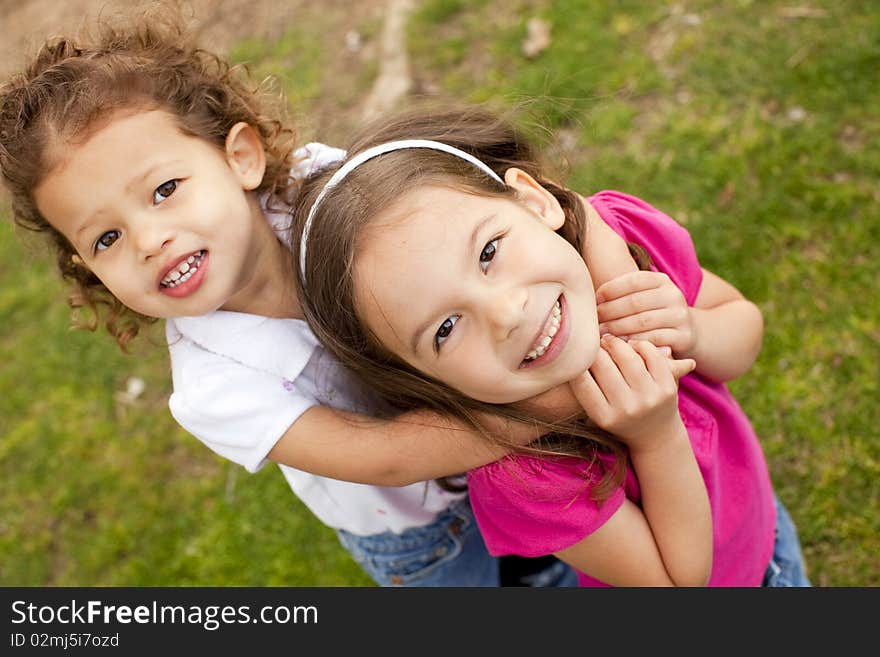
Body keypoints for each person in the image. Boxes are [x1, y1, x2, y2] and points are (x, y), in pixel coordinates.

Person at [0, 9, 580, 587]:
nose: (149, 242)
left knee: (566, 548)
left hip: (489, 426)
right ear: (90, 270)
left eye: (164, 190)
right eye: (106, 238)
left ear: (241, 158)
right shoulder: (214, 388)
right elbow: (387, 456)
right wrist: (549, 405)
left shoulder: (320, 191)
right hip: (422, 534)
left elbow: (471, 216)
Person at [291, 105, 812, 586]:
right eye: (445, 328)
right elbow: (678, 581)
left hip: (764, 529)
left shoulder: (629, 249)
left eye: (489, 251)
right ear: (423, 379)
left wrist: (693, 330)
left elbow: (745, 328)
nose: (506, 315)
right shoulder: (525, 473)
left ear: (535, 201)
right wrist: (655, 438)